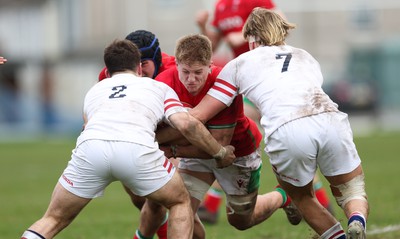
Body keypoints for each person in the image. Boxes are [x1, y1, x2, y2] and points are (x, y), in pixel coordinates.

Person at [20, 39, 236, 239]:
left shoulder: (94, 91)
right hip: (137, 150)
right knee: (179, 201)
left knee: (52, 219)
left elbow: (87, 126)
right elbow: (186, 124)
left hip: (91, 151)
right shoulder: (158, 87)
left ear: (108, 70)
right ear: (139, 68)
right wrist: (219, 152)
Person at [190, 8, 369, 239]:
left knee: (301, 197)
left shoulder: (239, 63)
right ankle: (357, 220)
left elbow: (201, 114)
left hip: (288, 127)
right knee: (351, 189)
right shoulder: (305, 56)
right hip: (330, 118)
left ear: (251, 39)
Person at [152, 34, 301, 239]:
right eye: (185, 72)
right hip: (198, 155)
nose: (191, 79)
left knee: (241, 221)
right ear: (176, 64)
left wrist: (173, 149)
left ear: (210, 65)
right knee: (181, 204)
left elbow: (219, 146)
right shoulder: (163, 83)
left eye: (198, 72)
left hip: (237, 154)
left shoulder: (223, 82)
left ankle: (283, 196)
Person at [98, 30, 176, 239]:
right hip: (132, 141)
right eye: (136, 64)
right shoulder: (111, 74)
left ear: (157, 59)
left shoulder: (176, 72)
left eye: (144, 63)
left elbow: (186, 124)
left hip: (172, 143)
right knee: (141, 201)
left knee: (170, 203)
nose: (138, 70)